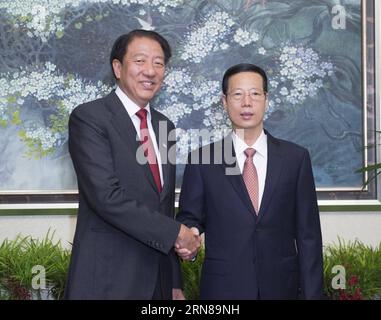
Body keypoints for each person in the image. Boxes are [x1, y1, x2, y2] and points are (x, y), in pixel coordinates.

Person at [64, 29, 201, 300]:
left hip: (158, 284)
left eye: (158, 63)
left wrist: (174, 282)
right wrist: (177, 233)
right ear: (117, 67)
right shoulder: (90, 118)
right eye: (139, 61)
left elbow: (163, 207)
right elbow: (106, 197)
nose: (150, 71)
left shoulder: (164, 127)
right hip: (108, 280)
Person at [176, 63, 324, 299]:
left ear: (267, 99)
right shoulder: (203, 160)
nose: (247, 102)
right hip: (223, 291)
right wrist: (190, 235)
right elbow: (190, 216)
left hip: (282, 289)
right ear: (224, 102)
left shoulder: (295, 159)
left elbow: (309, 236)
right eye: (237, 94)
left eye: (255, 94)